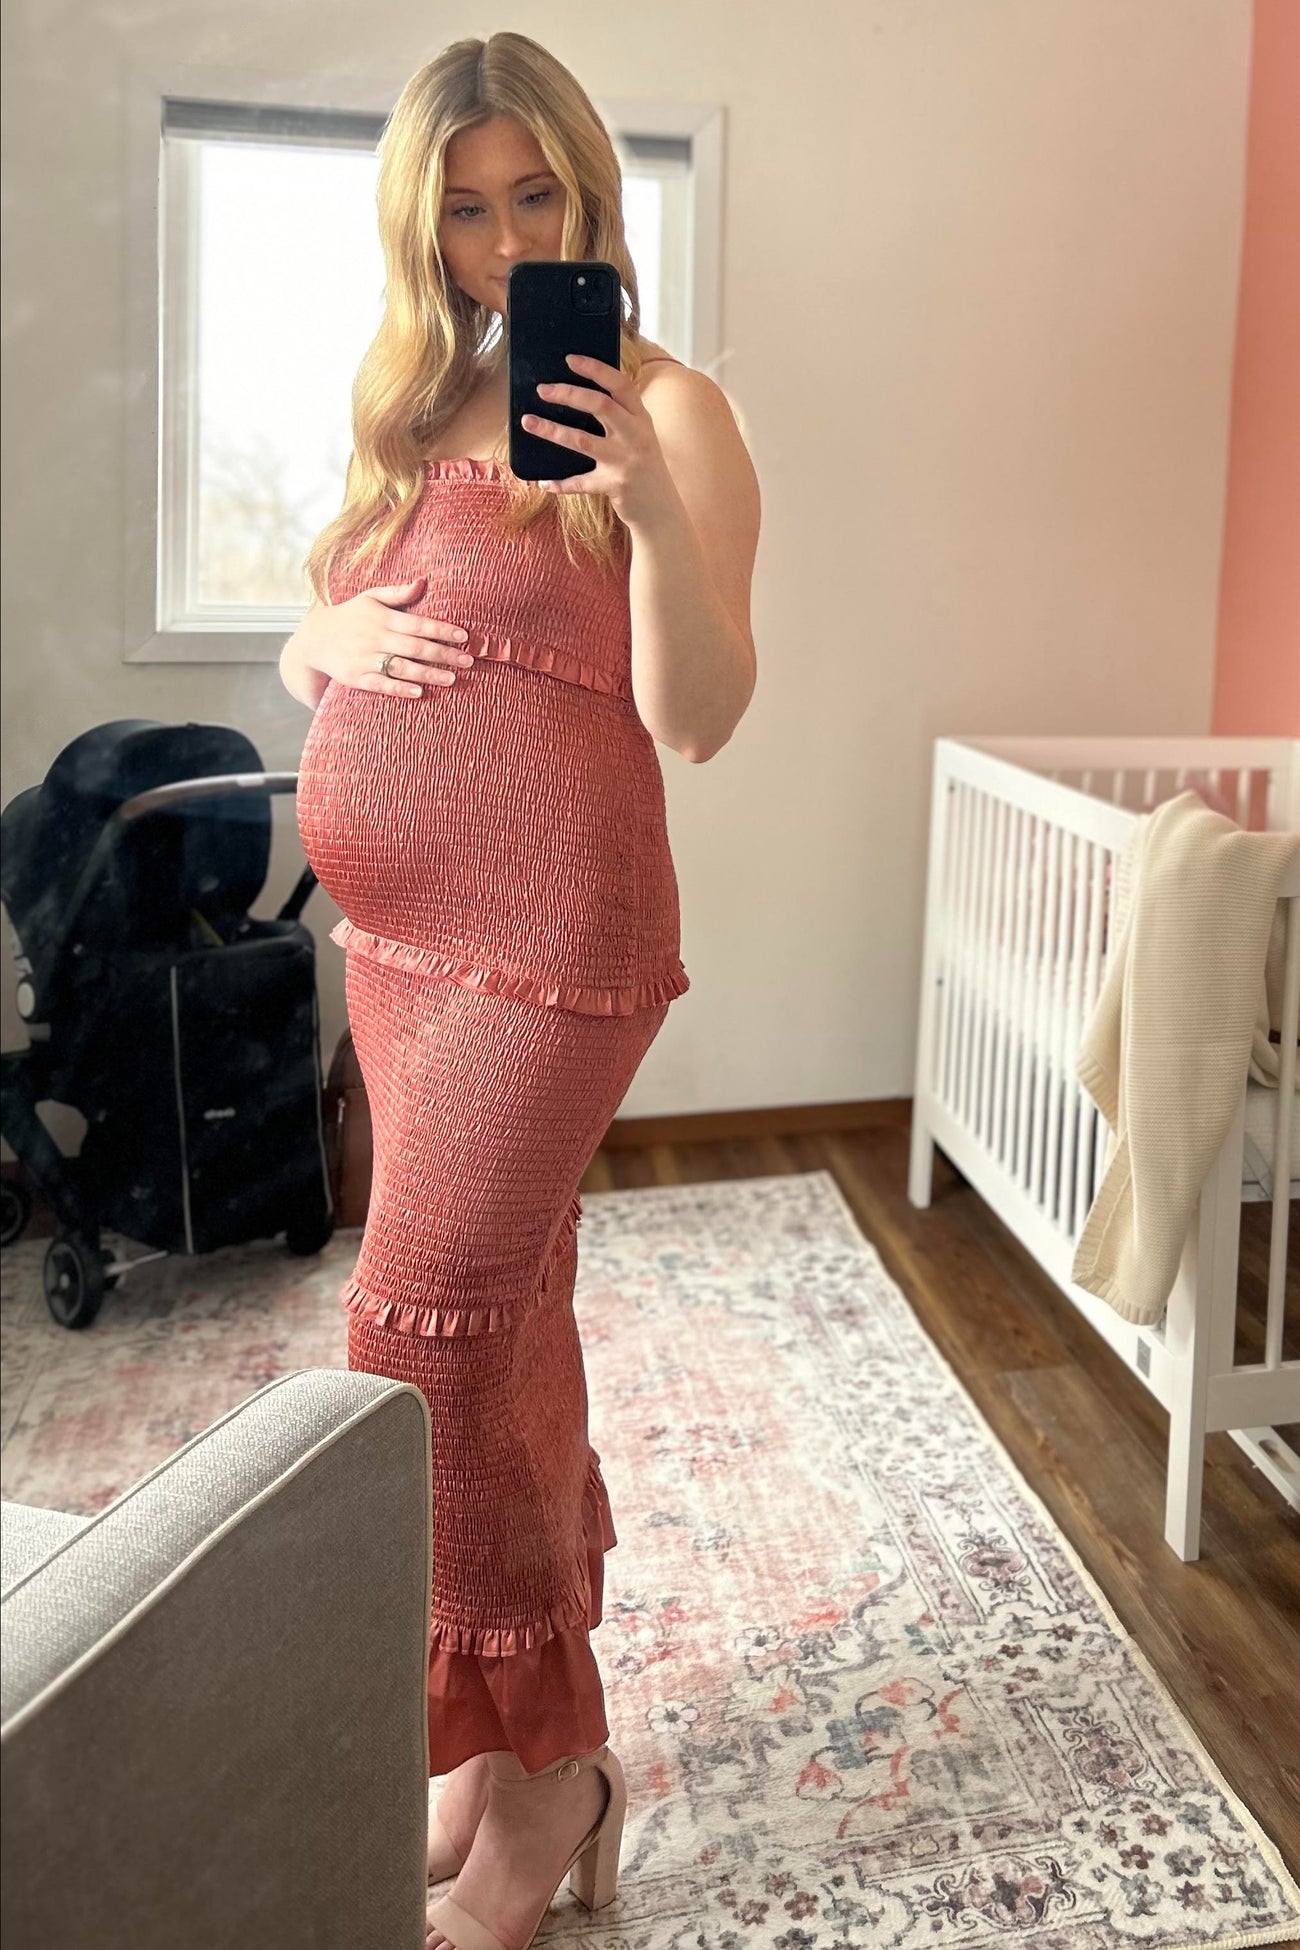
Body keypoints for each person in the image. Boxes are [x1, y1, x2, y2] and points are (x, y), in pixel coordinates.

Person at [281, 31, 759, 1950]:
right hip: (401, 948)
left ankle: (549, 1778)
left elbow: (699, 717)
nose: (504, 244)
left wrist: (649, 505)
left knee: (423, 1328)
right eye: (467, 211)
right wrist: (319, 635)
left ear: (590, 190)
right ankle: (501, 1750)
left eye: (535, 198)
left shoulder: (676, 409)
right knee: (508, 1329)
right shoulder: (419, 399)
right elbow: (326, 637)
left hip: (558, 939)